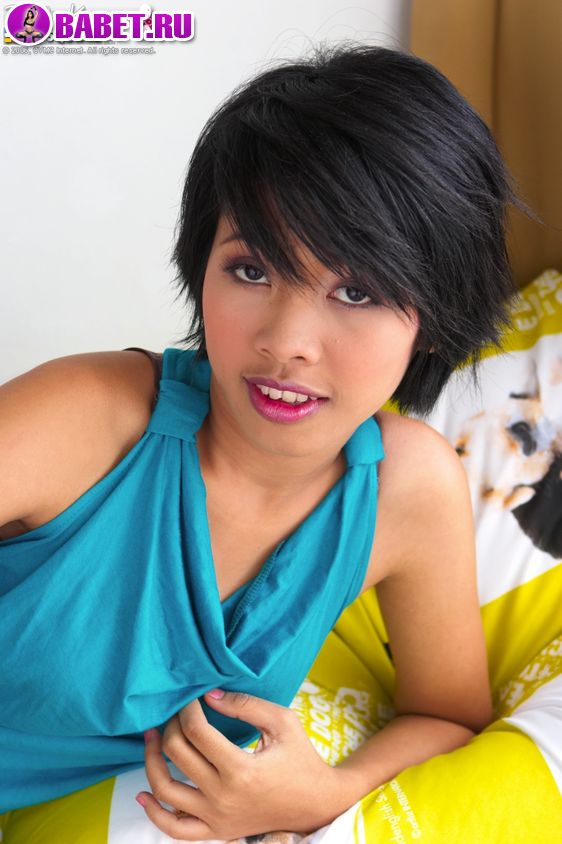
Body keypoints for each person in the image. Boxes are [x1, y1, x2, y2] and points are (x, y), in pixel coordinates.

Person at [0, 43, 522, 840]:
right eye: (252, 270)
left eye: (357, 291)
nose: (287, 342)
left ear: (433, 318)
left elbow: (447, 718)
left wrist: (323, 793)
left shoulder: (406, 491)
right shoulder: (87, 419)